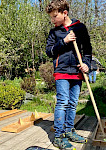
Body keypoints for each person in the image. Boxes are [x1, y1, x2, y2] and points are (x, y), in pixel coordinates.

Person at [46, 0, 92, 149]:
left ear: (64, 13)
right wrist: (64, 41)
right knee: (63, 102)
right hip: (62, 71)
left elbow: (88, 50)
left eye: (54, 16)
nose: (52, 20)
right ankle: (59, 136)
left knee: (73, 103)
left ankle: (69, 130)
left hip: (77, 72)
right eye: (51, 17)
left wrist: (86, 64)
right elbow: (49, 52)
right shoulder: (54, 32)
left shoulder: (80, 28)